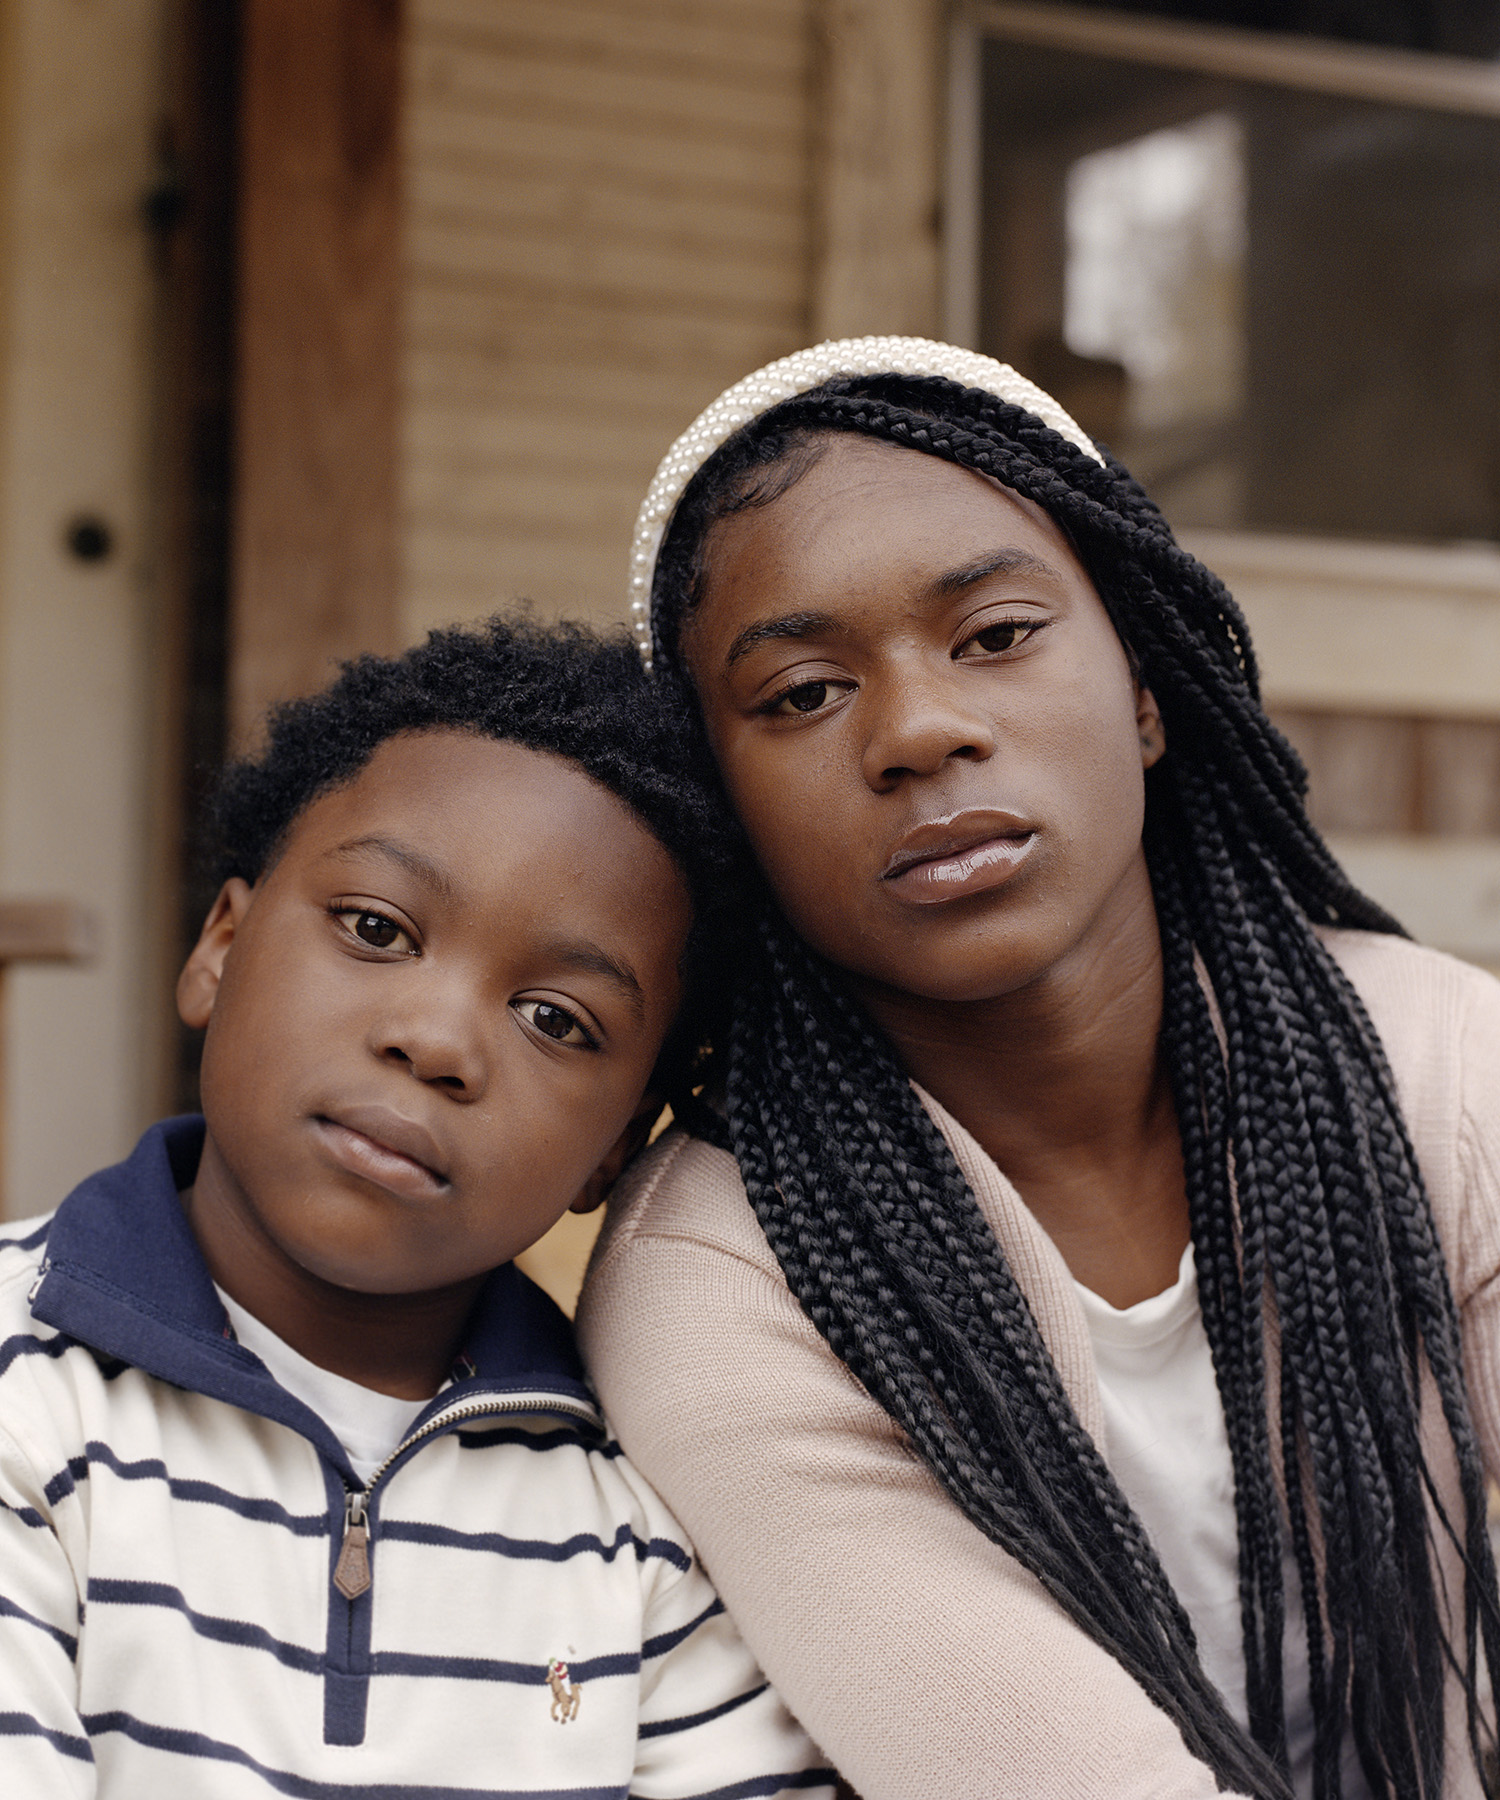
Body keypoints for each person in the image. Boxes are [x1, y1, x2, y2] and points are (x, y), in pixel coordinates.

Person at [578, 338, 1500, 1800]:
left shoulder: (1444, 1074)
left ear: (1145, 690)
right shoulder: (720, 1278)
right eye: (804, 693)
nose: (920, 729)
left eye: (997, 635)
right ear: (724, 804)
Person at [0, 617, 834, 1799]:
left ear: (615, 1150)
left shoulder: (642, 1523)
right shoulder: (22, 1393)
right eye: (376, 930)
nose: (436, 1040)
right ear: (221, 947)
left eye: (556, 1019)